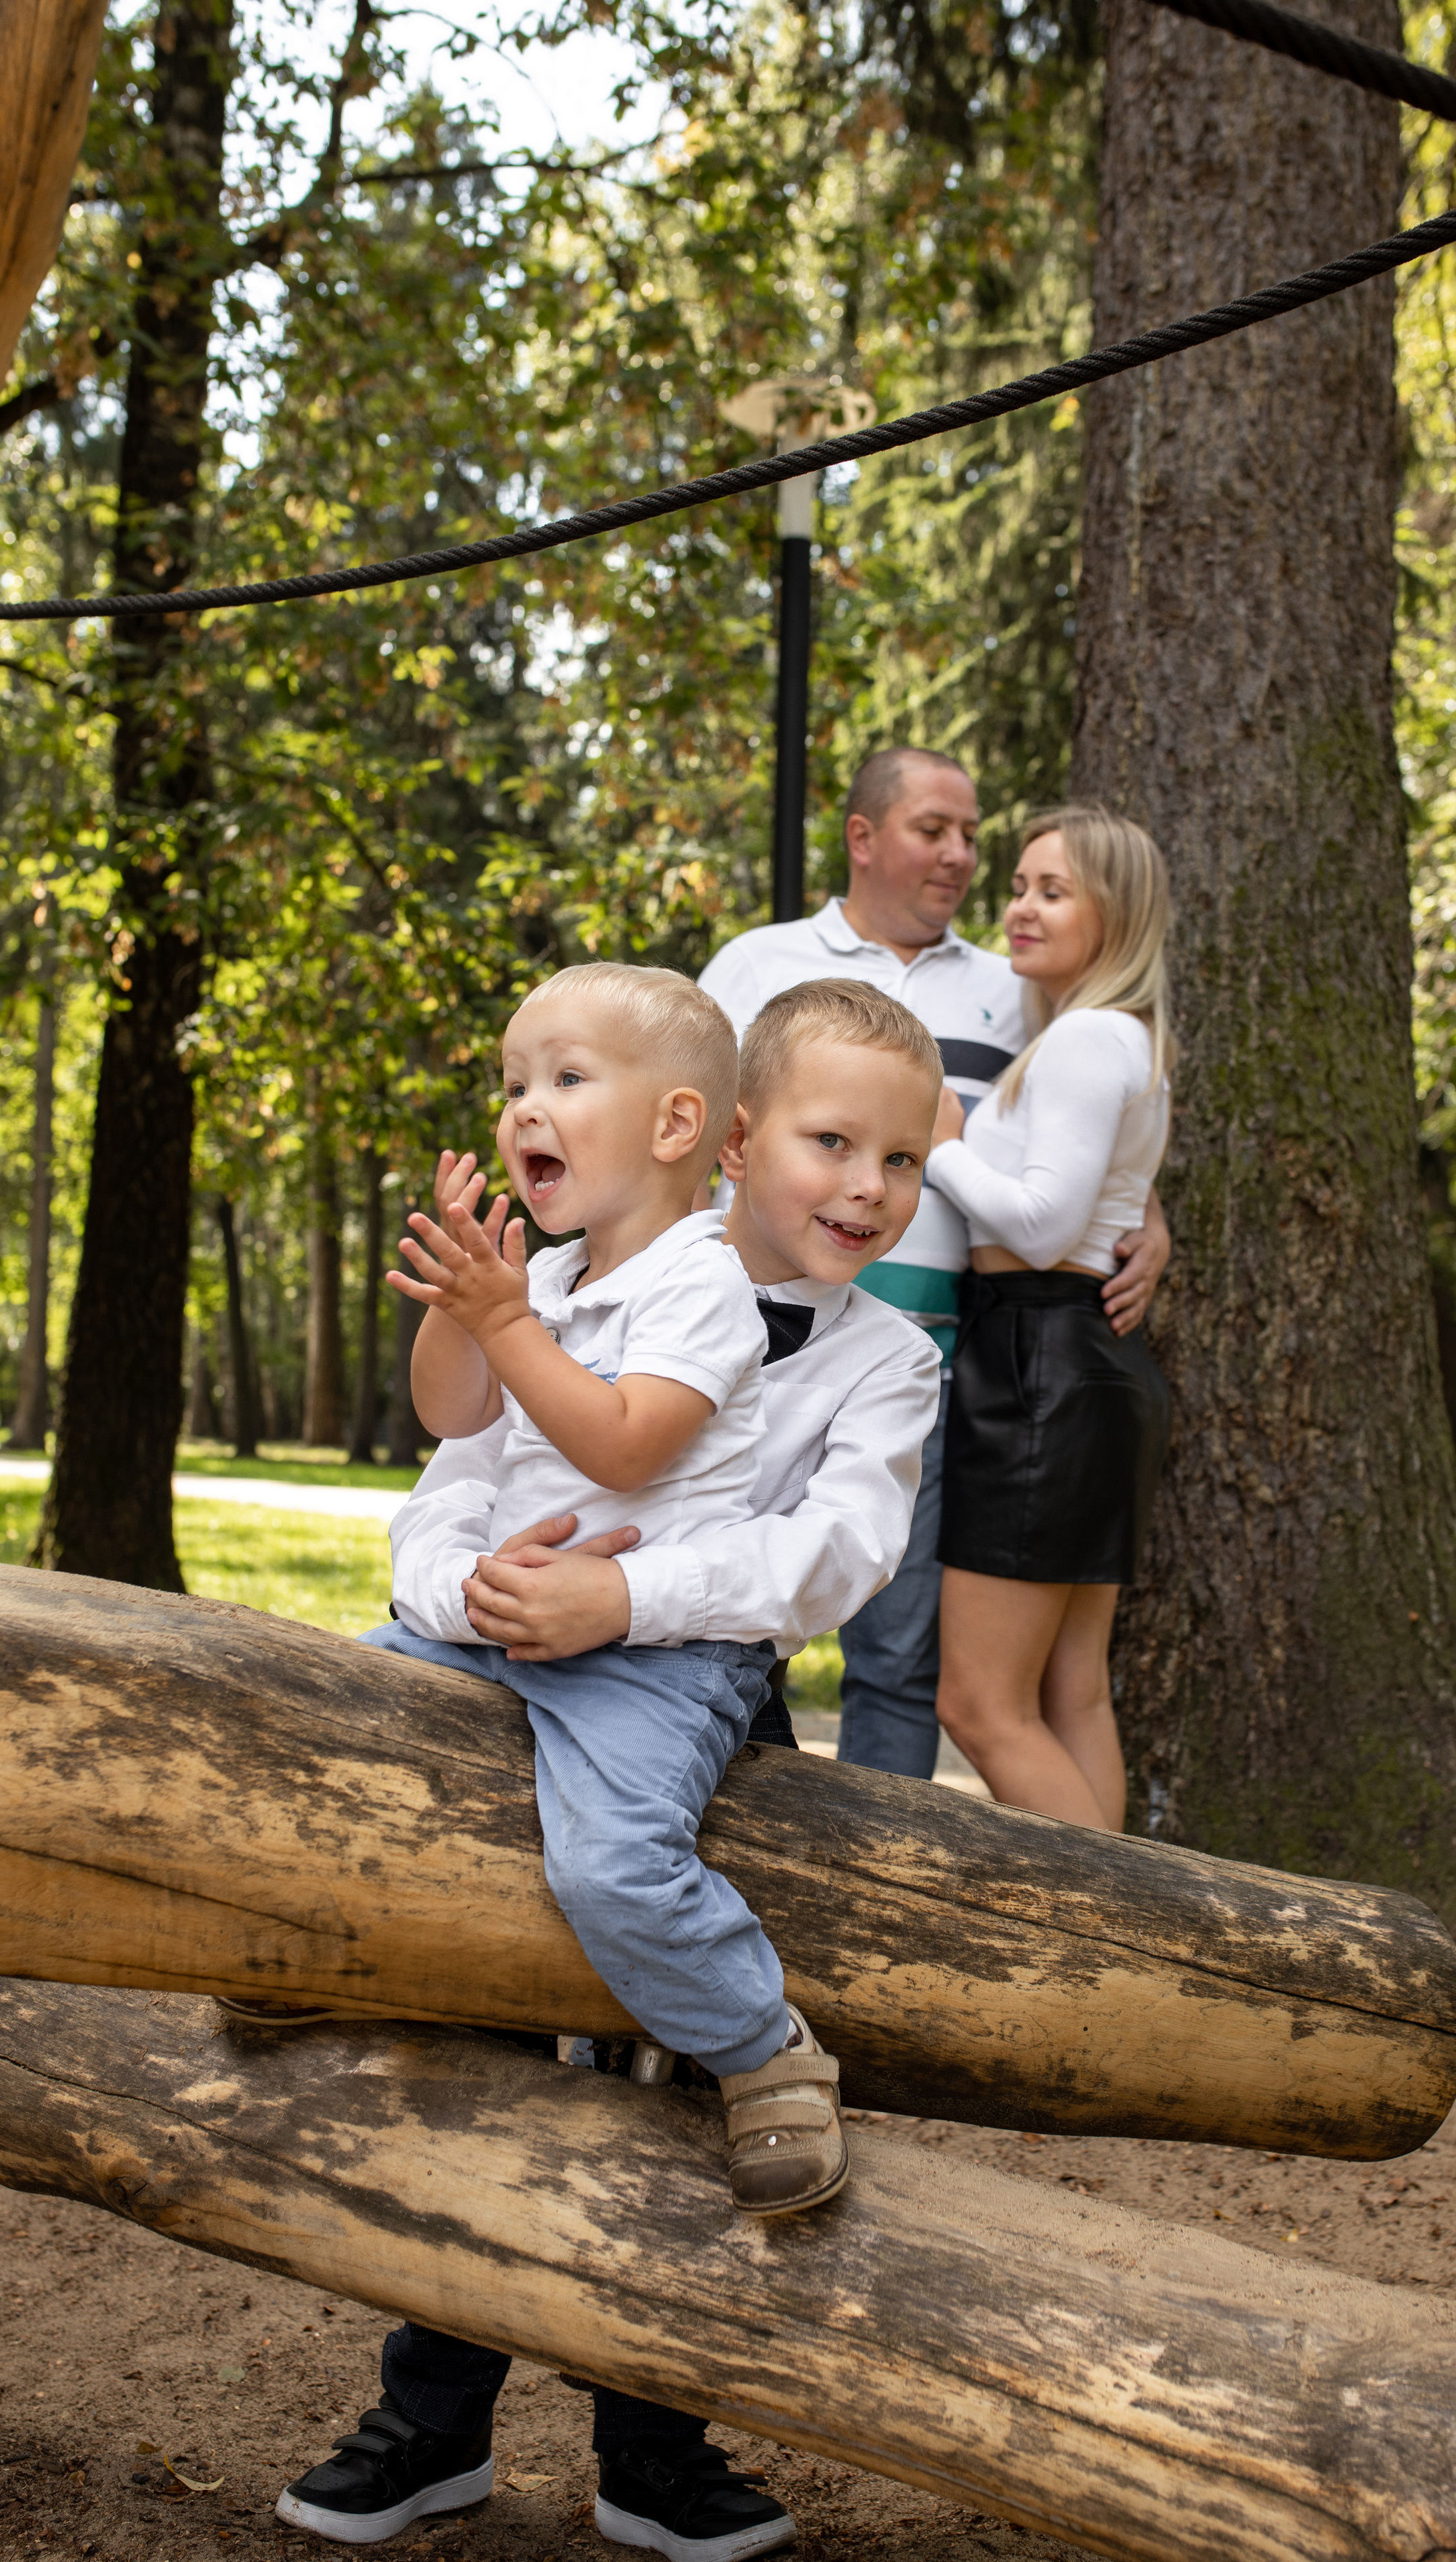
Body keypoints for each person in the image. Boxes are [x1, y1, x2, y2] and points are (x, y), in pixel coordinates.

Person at [273, 979, 946, 2561]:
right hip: (502, 1672)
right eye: (828, 1142)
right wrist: (481, 1595)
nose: (862, 1186)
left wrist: (619, 1601)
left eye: (898, 1163)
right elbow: (452, 1481)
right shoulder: (575, 1280)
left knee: (657, 2105)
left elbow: (826, 1560)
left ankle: (656, 2450)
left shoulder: (887, 1361)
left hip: (702, 1722)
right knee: (479, 2063)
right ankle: (424, 2426)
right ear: (727, 1141)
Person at [370, 957, 850, 2227]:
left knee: (611, 1869)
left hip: (658, 1657)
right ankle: (325, 1949)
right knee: (341, 1715)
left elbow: (629, 1444)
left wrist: (507, 1320)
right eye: (513, 1083)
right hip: (514, 1623)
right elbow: (453, 1412)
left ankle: (762, 2049)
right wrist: (469, 1304)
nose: (525, 1107)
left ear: (677, 1125)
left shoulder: (702, 1284)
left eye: (566, 1080)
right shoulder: (545, 1280)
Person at [698, 745, 1171, 1781]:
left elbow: (1081, 1127)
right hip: (747, 1356)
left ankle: (876, 1881)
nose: (961, 857)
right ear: (864, 839)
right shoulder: (756, 964)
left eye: (971, 835)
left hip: (942, 1372)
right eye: (934, 831)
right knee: (711, 1615)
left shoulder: (1021, 988)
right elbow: (684, 1133)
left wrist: (1150, 1215)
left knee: (900, 1658)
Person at [923, 805, 1174, 1830]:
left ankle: (1121, 1936)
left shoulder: (1086, 1039)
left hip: (1040, 1365)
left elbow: (1038, 1225)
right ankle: (1131, 1963)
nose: (1020, 907)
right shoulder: (1113, 1037)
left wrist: (937, 1141)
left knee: (980, 1705)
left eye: (1052, 891)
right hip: (1080, 1364)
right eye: (1019, 886)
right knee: (1071, 1694)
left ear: (1113, 913)